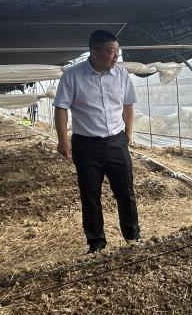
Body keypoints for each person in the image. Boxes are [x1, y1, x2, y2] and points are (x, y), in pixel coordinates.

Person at [53, 30, 141, 253]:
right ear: (94, 52)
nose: (116, 56)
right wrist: (63, 140)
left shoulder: (121, 75)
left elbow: (128, 104)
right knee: (90, 195)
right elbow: (61, 108)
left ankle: (132, 236)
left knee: (125, 191)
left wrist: (128, 132)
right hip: (86, 145)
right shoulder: (72, 76)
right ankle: (96, 243)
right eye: (111, 52)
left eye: (117, 51)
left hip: (116, 141)